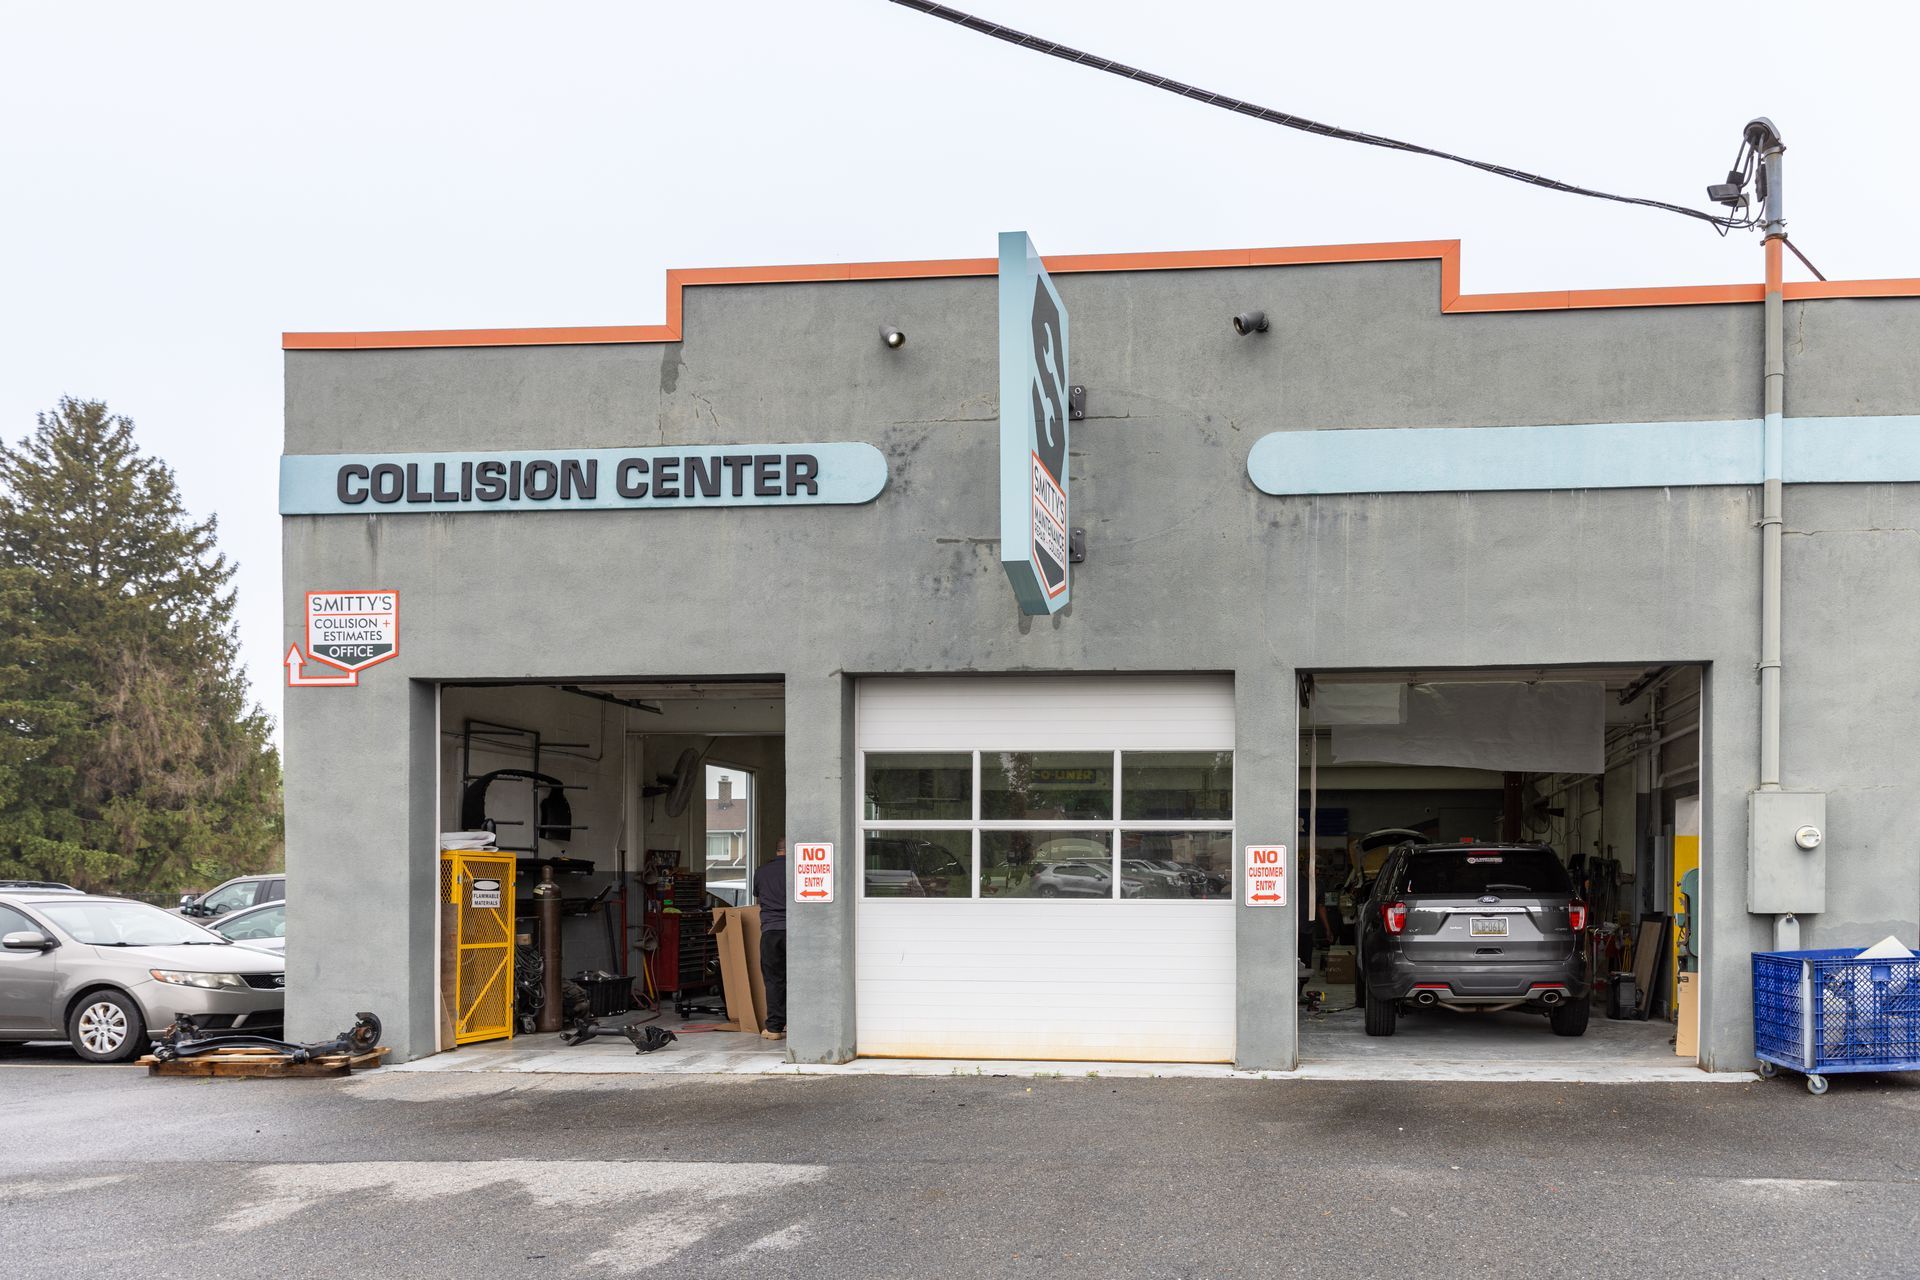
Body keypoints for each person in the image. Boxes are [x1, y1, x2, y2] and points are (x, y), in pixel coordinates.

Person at [753, 839, 787, 1040]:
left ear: (777, 851)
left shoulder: (761, 872)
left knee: (774, 979)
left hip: (770, 931)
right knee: (799, 979)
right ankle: (796, 1023)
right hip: (796, 932)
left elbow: (759, 897)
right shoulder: (799, 870)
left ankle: (774, 1028)